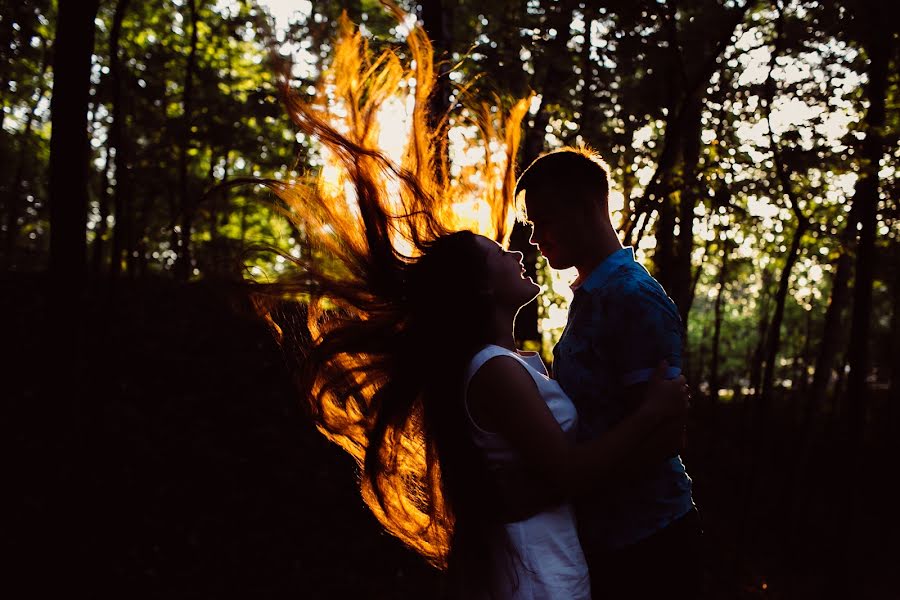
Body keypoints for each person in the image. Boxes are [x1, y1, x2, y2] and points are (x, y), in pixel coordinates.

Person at [243, 14, 691, 599]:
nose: (524, 244)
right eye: (507, 244)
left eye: (539, 223)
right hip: (571, 558)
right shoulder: (504, 363)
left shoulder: (616, 303)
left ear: (587, 207)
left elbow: (650, 438)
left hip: (636, 540)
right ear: (481, 291)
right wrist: (567, 473)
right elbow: (569, 460)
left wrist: (639, 428)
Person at [515, 147, 703, 599]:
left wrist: (568, 480)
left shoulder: (633, 296)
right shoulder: (591, 294)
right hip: (605, 539)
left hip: (650, 540)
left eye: (542, 220)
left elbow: (667, 434)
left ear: (584, 208)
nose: (535, 237)